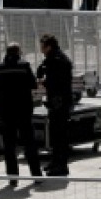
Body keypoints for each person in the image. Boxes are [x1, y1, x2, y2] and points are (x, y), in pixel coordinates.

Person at [0, 44, 42, 186]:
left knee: (9, 145)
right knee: (29, 143)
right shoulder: (24, 66)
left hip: (6, 112)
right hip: (23, 110)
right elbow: (34, 85)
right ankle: (37, 175)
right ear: (19, 53)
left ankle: (13, 178)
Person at [36, 34, 73, 177]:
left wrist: (44, 82)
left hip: (60, 103)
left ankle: (61, 165)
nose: (41, 49)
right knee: (55, 134)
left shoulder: (57, 60)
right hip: (56, 102)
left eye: (42, 46)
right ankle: (55, 161)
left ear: (48, 46)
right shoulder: (53, 59)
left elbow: (56, 82)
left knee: (60, 136)